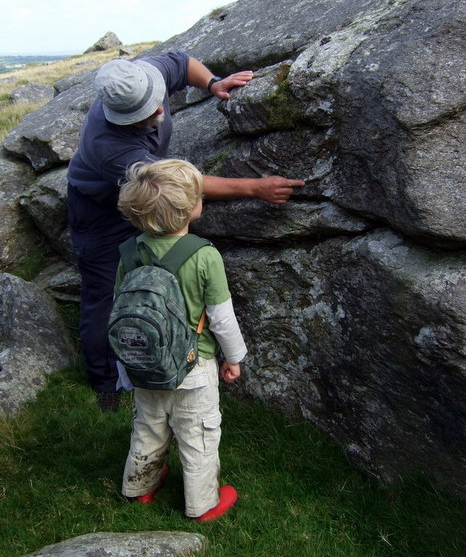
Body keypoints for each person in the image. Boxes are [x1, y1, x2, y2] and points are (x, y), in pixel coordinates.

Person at [67, 51, 304, 411]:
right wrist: (255, 188)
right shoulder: (110, 147)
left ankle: (163, 342)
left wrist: (213, 83)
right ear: (121, 118)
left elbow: (181, 62)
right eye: (147, 114)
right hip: (101, 211)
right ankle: (107, 380)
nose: (161, 111)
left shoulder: (146, 75)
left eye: (156, 102)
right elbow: (178, 186)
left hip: (147, 186)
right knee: (104, 293)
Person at [116, 158, 246, 522]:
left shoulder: (129, 252)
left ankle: (138, 487)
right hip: (194, 366)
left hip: (144, 365)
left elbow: (119, 309)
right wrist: (234, 358)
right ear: (192, 208)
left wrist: (124, 364)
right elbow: (221, 317)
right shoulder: (204, 255)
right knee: (198, 435)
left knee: (148, 426)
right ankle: (202, 504)